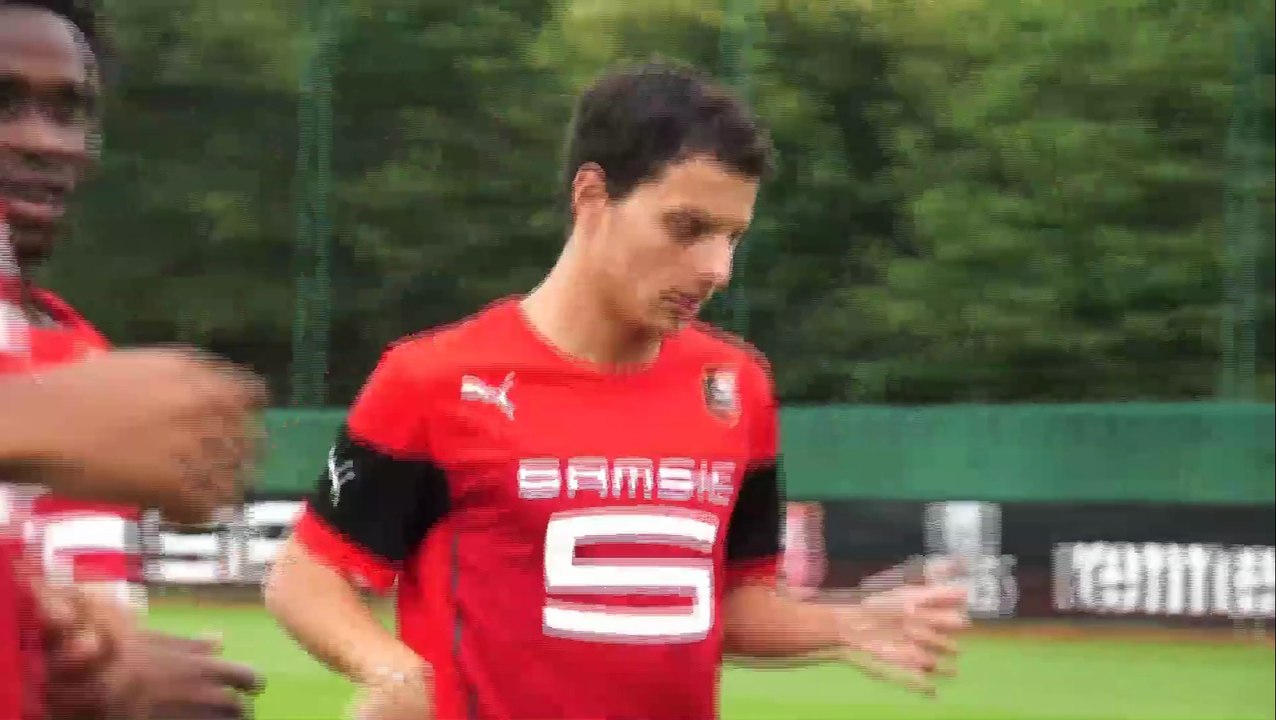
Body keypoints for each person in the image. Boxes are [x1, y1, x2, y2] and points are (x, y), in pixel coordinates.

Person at [265, 62, 970, 720]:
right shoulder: (436, 381)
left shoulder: (737, 387)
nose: (717, 268)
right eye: (687, 229)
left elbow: (726, 605)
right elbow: (304, 579)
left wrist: (848, 623)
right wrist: (387, 668)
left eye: (732, 237)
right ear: (593, 196)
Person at [1, 1, 266, 716]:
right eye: (2, 102)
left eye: (69, 111)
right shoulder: (84, 399)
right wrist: (28, 420)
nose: (43, 141)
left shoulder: (80, 358)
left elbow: (70, 635)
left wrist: (98, 681)